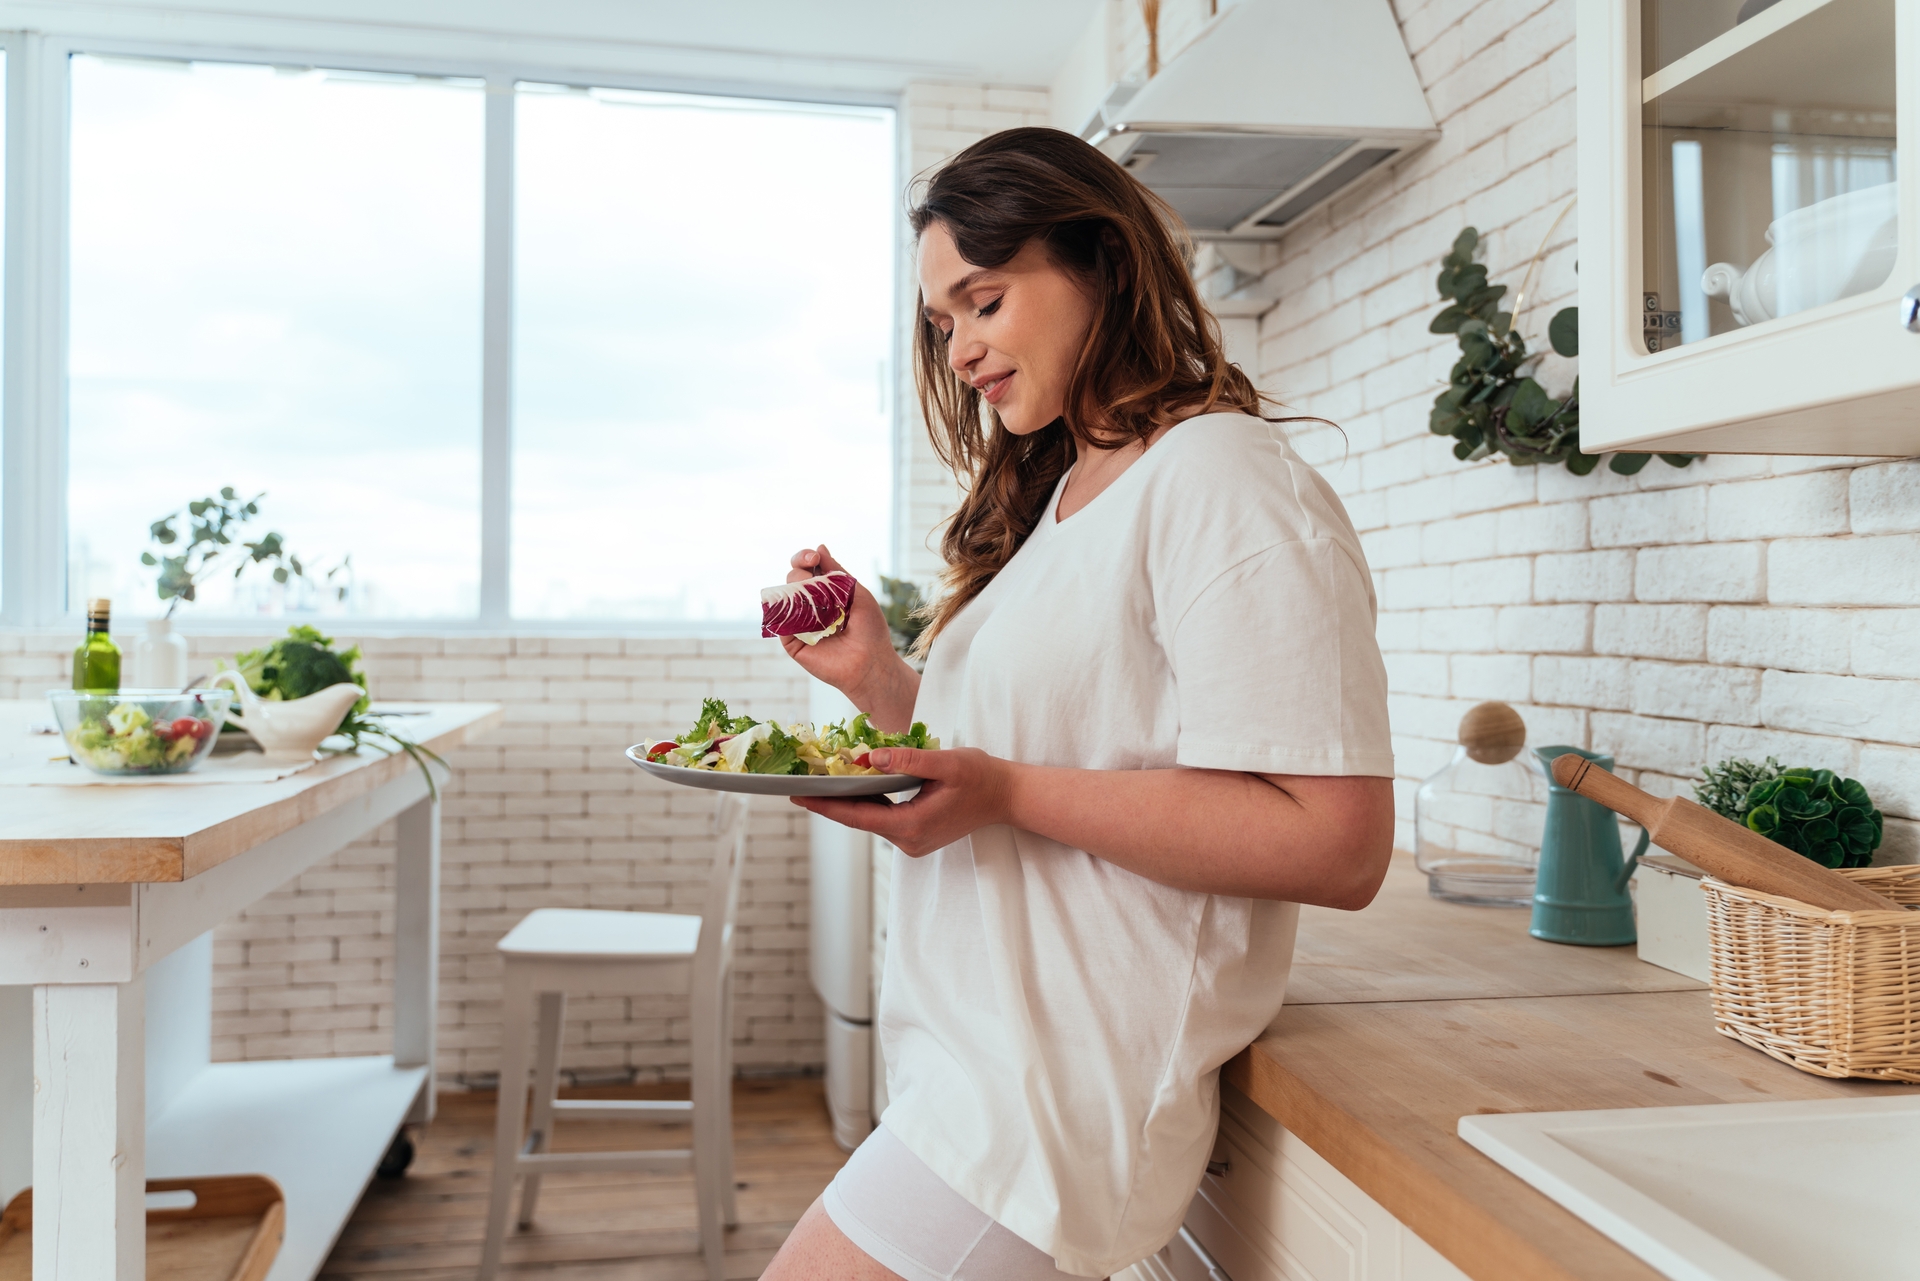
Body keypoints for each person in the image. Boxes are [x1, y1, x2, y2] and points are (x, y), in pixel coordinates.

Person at [761, 127, 1395, 1281]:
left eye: (984, 300)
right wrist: (879, 682)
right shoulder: (1068, 499)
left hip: (1048, 1111)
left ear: (1100, 260)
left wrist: (1002, 791)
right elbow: (1027, 763)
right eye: (941, 323)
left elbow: (1337, 840)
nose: (957, 349)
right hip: (973, 1079)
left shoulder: (1223, 476)